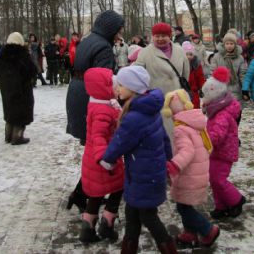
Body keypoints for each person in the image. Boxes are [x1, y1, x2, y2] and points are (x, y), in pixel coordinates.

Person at [100, 66, 177, 253]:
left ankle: (168, 248)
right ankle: (129, 247)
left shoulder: (135, 116)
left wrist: (107, 159)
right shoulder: (150, 109)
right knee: (132, 213)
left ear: (133, 88)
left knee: (148, 216)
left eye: (121, 86)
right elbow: (164, 137)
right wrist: (168, 159)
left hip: (143, 176)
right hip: (148, 172)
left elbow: (120, 141)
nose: (117, 89)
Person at [65, 10, 124, 214]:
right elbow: (104, 80)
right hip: (90, 98)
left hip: (77, 91)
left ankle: (81, 195)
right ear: (110, 29)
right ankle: (83, 195)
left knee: (92, 148)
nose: (120, 34)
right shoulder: (104, 47)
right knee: (99, 149)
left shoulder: (89, 40)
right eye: (118, 29)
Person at [162, 89, 220, 248]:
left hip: (188, 174)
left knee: (183, 207)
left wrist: (174, 165)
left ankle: (208, 230)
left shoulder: (181, 128)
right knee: (185, 204)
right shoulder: (196, 121)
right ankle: (190, 234)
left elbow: (187, 151)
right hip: (199, 171)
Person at [79, 67, 124, 243]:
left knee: (96, 195)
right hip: (104, 158)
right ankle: (107, 223)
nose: (118, 88)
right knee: (119, 187)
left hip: (93, 159)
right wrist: (104, 158)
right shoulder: (102, 111)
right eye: (114, 85)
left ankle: (87, 229)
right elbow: (98, 136)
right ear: (104, 89)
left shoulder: (99, 104)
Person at [202, 67, 246, 219]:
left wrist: (203, 138)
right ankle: (221, 206)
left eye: (205, 95)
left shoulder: (221, 114)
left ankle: (236, 200)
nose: (204, 98)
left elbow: (217, 135)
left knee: (218, 180)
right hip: (216, 152)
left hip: (223, 152)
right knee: (214, 179)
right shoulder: (216, 109)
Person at [135, 22, 190, 140]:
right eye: (157, 36)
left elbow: (186, 73)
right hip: (157, 99)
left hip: (178, 99)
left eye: (163, 36)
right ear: (152, 37)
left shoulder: (179, 50)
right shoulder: (145, 52)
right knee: (162, 133)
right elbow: (137, 74)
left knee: (179, 132)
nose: (160, 39)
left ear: (170, 36)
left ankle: (179, 156)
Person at [0, 32, 37, 145]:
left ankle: (8, 136)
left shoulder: (2, 53)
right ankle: (17, 136)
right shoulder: (22, 53)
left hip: (6, 88)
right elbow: (32, 70)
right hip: (21, 89)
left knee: (9, 110)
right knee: (21, 112)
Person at [210, 32, 246, 123]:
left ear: (235, 44)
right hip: (221, 90)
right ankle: (226, 136)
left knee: (237, 115)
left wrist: (245, 89)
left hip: (235, 89)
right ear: (224, 44)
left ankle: (234, 135)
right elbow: (212, 73)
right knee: (224, 116)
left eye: (231, 44)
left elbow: (242, 74)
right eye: (227, 44)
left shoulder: (240, 58)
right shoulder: (217, 57)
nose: (229, 46)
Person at [182, 41, 206, 109]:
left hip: (194, 91)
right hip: (183, 91)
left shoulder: (196, 65)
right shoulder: (181, 64)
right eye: (186, 54)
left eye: (190, 54)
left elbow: (200, 77)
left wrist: (202, 88)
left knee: (195, 108)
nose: (189, 56)